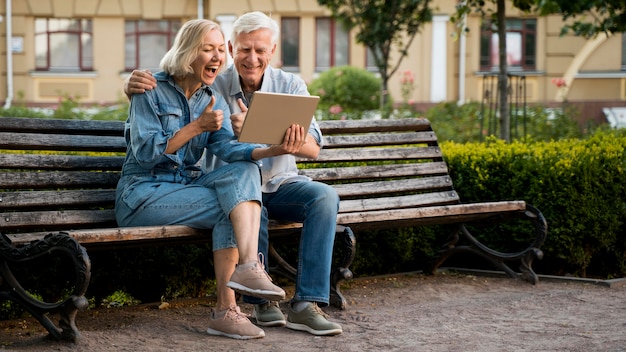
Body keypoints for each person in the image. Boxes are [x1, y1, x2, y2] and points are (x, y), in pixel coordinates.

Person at [124, 11, 343, 337]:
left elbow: (300, 149)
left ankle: (293, 302)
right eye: (241, 50)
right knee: (241, 198)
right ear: (231, 48)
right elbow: (148, 146)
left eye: (259, 50)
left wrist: (270, 142)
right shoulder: (206, 87)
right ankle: (249, 300)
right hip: (167, 189)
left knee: (308, 193)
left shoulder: (273, 87)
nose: (250, 58)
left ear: (273, 50)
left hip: (264, 183)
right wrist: (133, 87)